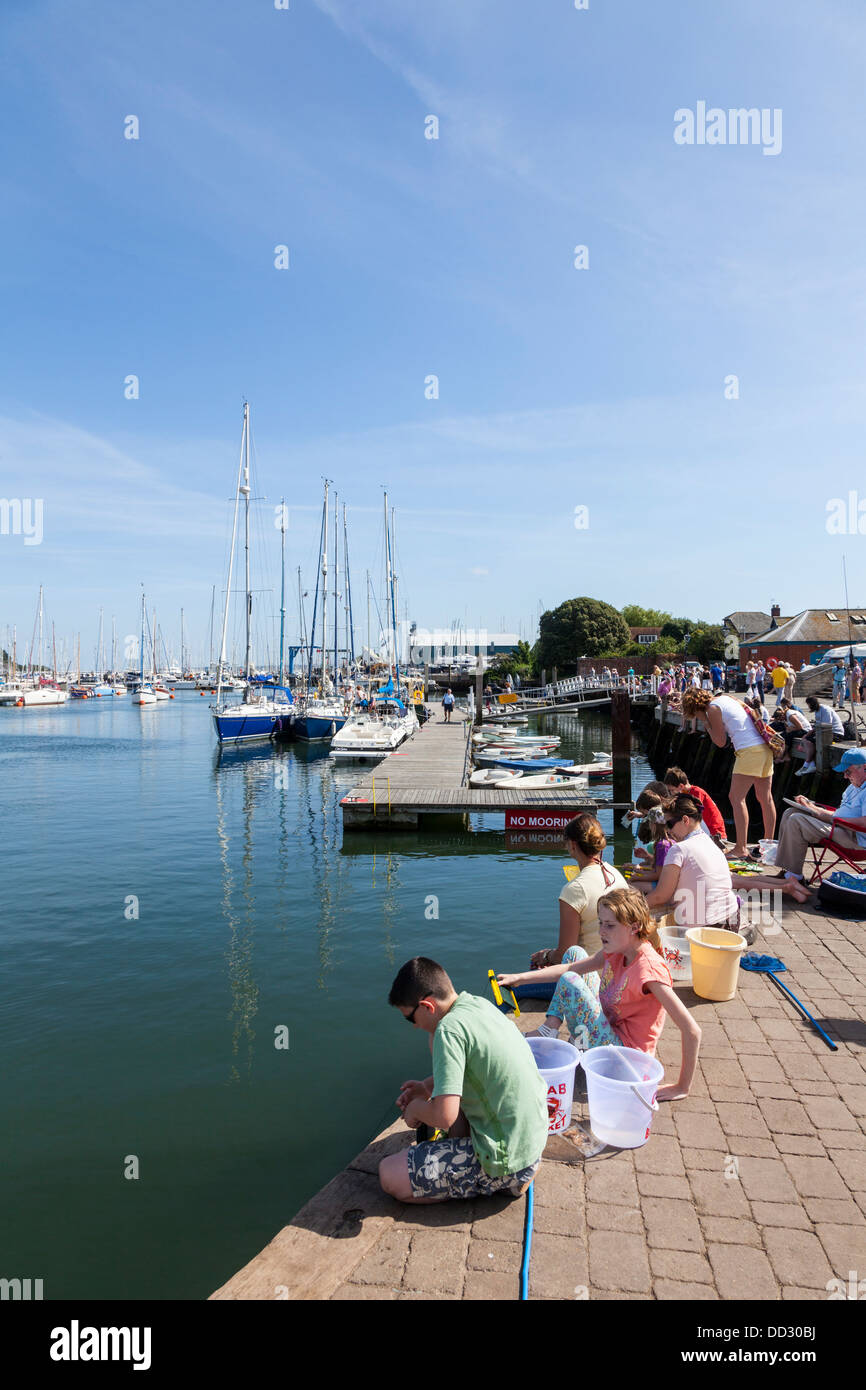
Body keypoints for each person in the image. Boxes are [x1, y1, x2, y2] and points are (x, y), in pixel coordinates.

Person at [497, 889, 701, 1101]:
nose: (601, 931)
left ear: (634, 927)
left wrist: (681, 1087)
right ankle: (551, 1030)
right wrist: (519, 977)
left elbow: (692, 1030)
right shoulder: (618, 950)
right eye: (601, 923)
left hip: (625, 1060)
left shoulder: (648, 970)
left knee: (571, 980)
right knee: (574, 952)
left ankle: (548, 1032)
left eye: (610, 925)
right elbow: (571, 966)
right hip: (610, 1031)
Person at [380, 958, 548, 1203]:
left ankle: (498, 1180)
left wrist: (415, 1109)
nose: (414, 1027)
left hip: (508, 1162)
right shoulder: (476, 1005)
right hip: (530, 1141)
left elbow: (444, 1116)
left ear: (427, 1006)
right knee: (436, 1049)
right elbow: (475, 1067)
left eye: (410, 1018)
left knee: (389, 1174)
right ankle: (472, 1158)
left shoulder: (448, 1031)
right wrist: (426, 1087)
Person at [523, 815, 627, 984]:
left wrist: (546, 955)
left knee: (518, 983)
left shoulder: (574, 890)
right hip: (620, 972)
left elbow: (565, 954)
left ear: (572, 845)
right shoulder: (614, 874)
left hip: (592, 979)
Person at [681, 687, 776, 858]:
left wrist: (706, 721)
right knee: (765, 797)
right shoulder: (726, 698)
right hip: (764, 747)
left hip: (748, 750)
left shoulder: (712, 709)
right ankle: (768, 846)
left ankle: (741, 848)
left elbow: (720, 741)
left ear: (694, 707)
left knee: (736, 798)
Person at [639, 794, 742, 931]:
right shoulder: (710, 843)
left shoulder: (679, 849)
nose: (668, 830)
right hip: (732, 919)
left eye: (669, 824)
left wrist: (630, 910)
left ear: (685, 820)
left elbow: (660, 896)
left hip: (707, 928)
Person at [772, 749, 866, 885]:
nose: (845, 776)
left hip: (855, 838)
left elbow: (863, 823)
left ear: (864, 767)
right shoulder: (853, 786)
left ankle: (794, 878)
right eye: (844, 772)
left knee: (796, 820)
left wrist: (830, 818)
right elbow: (840, 813)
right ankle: (788, 870)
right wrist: (811, 807)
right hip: (840, 827)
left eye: (848, 771)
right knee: (790, 812)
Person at [662, 766, 726, 844]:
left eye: (672, 790)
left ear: (681, 786)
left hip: (715, 834)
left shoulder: (696, 792)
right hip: (709, 831)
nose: (671, 793)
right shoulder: (687, 794)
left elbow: (692, 813)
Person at [795, 695, 845, 776]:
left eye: (809, 705)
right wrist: (806, 735)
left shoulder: (825, 710)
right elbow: (817, 726)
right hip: (823, 731)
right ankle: (811, 765)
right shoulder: (817, 711)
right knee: (805, 739)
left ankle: (806, 764)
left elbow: (826, 726)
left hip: (835, 733)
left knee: (809, 741)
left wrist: (812, 735)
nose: (808, 707)